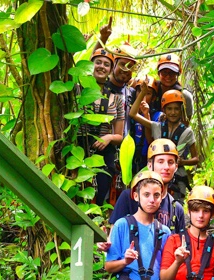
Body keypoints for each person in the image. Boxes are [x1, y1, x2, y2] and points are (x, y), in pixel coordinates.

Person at [99, 138, 186, 252]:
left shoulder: (176, 208)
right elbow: (113, 239)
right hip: (129, 266)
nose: (166, 167)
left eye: (170, 162)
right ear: (150, 165)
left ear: (175, 167)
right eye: (160, 161)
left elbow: (180, 246)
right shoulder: (129, 197)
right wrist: (106, 245)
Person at [105, 171, 171, 280]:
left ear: (161, 198)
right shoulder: (122, 225)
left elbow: (166, 277)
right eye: (146, 195)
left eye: (156, 195)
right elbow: (108, 266)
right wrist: (125, 261)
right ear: (136, 196)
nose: (151, 200)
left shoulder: (165, 232)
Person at [130, 81, 198, 202]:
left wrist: (183, 161)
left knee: (175, 207)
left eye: (176, 109)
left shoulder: (187, 132)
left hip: (178, 176)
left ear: (181, 110)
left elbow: (196, 158)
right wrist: (143, 93)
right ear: (164, 110)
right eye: (169, 109)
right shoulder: (157, 127)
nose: (173, 112)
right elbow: (133, 114)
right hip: (156, 174)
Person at [78, 48, 124, 206]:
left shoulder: (116, 99)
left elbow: (119, 136)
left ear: (110, 70)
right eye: (97, 62)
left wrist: (109, 137)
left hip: (105, 152)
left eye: (106, 64)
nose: (101, 66)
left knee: (100, 195)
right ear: (91, 65)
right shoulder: (78, 91)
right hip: (80, 148)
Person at [150, 53, 194, 122]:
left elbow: (186, 122)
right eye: (164, 73)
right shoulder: (152, 90)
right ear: (159, 74)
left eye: (172, 73)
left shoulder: (184, 95)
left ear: (178, 74)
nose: (168, 76)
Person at [130, 77, 159, 174]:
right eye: (140, 91)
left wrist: (146, 114)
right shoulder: (127, 112)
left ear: (154, 98)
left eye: (148, 93)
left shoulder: (157, 116)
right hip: (129, 157)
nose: (143, 95)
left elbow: (151, 139)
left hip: (147, 159)